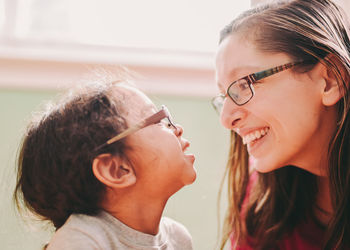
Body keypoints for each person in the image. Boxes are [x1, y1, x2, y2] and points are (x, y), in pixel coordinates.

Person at [211, 0, 350, 249]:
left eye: (245, 84)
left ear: (329, 80)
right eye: (224, 97)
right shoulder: (261, 200)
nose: (226, 119)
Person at [14, 78, 196, 250]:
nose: (177, 129)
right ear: (117, 170)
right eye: (158, 120)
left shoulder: (178, 239)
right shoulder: (80, 241)